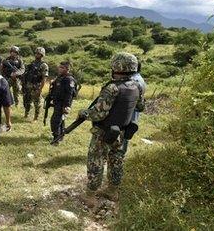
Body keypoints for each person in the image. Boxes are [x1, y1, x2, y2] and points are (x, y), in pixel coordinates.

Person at [77, 52, 145, 206]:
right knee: (116, 161)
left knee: (96, 161)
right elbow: (141, 107)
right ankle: (112, 191)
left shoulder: (113, 88)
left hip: (104, 133)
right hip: (122, 132)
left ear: (116, 66)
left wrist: (83, 113)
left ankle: (90, 196)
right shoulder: (137, 87)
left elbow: (99, 113)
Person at [122, 61, 146, 155]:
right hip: (134, 110)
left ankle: (120, 153)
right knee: (126, 134)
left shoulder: (132, 80)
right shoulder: (140, 78)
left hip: (129, 110)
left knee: (123, 133)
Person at [50, 61, 77, 144]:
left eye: (62, 68)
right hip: (57, 102)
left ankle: (56, 139)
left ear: (67, 69)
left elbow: (69, 94)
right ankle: (60, 136)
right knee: (60, 120)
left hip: (63, 104)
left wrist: (67, 106)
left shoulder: (69, 79)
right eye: (59, 67)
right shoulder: (60, 77)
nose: (60, 69)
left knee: (55, 121)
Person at [23, 47, 49, 121]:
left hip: (36, 86)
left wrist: (40, 89)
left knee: (37, 103)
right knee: (27, 101)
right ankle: (26, 114)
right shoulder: (32, 63)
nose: (36, 55)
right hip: (28, 85)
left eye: (38, 54)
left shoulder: (43, 65)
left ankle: (36, 118)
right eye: (36, 53)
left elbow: (44, 78)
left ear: (42, 55)